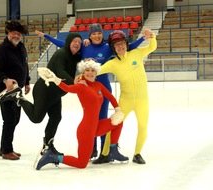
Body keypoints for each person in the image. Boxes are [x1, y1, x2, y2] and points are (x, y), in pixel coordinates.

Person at [34, 23, 146, 162]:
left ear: (102, 34)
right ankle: (92, 148)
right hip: (87, 88)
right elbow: (64, 44)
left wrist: (142, 39)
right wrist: (46, 36)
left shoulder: (107, 48)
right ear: (90, 36)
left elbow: (129, 47)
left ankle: (106, 152)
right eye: (93, 34)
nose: (97, 35)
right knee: (91, 119)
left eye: (99, 33)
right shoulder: (85, 46)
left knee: (103, 118)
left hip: (103, 86)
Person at [34, 59, 127, 170]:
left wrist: (117, 109)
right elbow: (67, 88)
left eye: (93, 70)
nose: (90, 72)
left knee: (118, 121)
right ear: (83, 72)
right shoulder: (81, 86)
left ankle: (113, 150)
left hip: (96, 127)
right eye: (87, 70)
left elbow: (110, 97)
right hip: (86, 130)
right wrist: (55, 80)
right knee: (82, 163)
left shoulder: (99, 85)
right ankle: (53, 157)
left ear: (96, 72)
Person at [2, 32, 83, 156]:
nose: (77, 44)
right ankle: (19, 97)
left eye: (79, 42)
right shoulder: (61, 54)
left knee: (56, 118)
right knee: (36, 118)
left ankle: (48, 147)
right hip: (44, 90)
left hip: (56, 94)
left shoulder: (77, 57)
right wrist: (76, 85)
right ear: (69, 42)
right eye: (74, 41)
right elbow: (61, 73)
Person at [97, 28, 157, 164]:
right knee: (113, 125)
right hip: (125, 101)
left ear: (126, 43)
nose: (120, 46)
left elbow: (152, 47)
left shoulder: (136, 53)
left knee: (143, 126)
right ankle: (105, 154)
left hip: (142, 100)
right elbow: (97, 71)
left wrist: (151, 36)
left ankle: (137, 153)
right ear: (113, 48)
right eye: (116, 45)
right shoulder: (113, 64)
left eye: (122, 43)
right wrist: (81, 75)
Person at [0, 20, 30, 160]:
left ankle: (3, 148)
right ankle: (7, 150)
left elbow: (25, 65)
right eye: (13, 33)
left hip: (17, 89)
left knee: (15, 118)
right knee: (10, 119)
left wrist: (27, 82)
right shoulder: (1, 50)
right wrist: (6, 80)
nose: (16, 36)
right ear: (8, 33)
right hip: (4, 89)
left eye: (18, 33)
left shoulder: (21, 47)